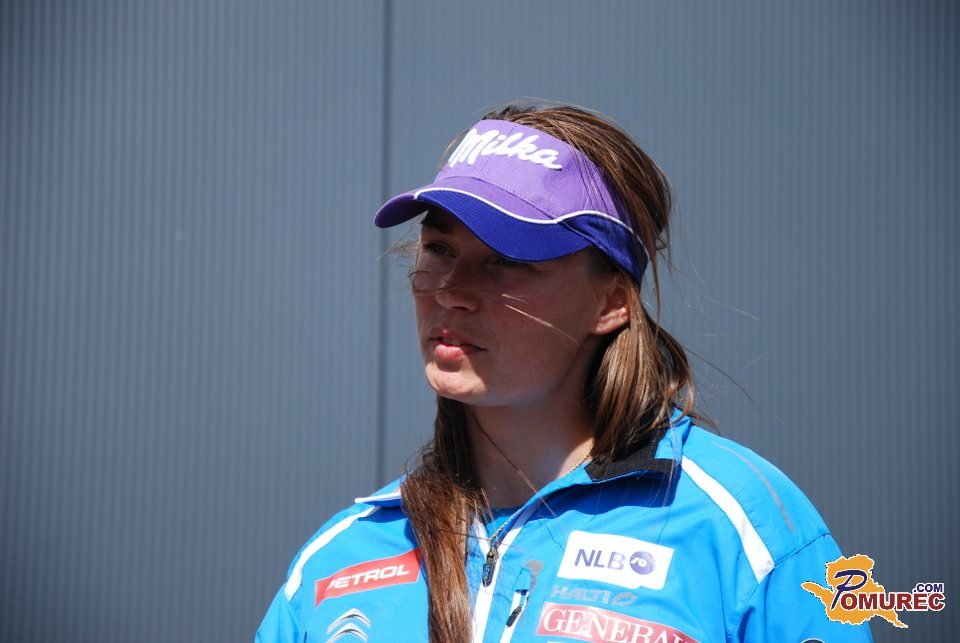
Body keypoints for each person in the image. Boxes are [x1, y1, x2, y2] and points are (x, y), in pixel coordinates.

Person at [256, 102, 873, 642]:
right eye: (439, 250)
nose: (451, 292)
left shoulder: (741, 528)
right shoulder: (340, 559)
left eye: (508, 259)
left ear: (611, 302)